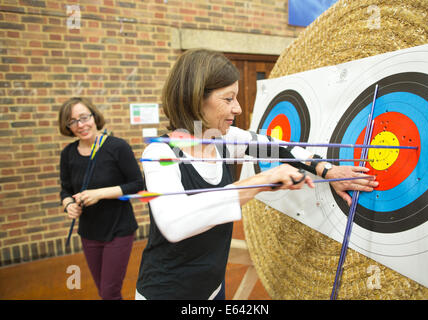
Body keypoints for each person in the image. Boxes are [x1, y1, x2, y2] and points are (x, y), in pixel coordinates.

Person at [135, 49, 378, 300]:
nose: (238, 108)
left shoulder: (226, 140)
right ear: (196, 99)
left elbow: (280, 148)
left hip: (213, 289)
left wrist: (327, 170)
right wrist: (260, 181)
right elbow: (175, 224)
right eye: (228, 99)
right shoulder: (161, 153)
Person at [59, 97, 144, 300]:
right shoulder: (68, 154)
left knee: (109, 293)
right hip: (89, 232)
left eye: (84, 117)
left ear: (94, 116)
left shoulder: (117, 147)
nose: (81, 125)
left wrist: (99, 193)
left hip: (118, 229)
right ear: (67, 126)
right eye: (73, 121)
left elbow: (137, 184)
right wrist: (69, 204)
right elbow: (65, 189)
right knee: (103, 292)